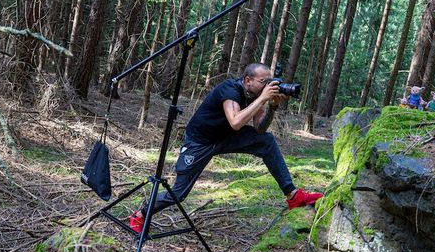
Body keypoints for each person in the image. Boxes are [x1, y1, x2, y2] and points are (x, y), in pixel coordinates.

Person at [129, 63, 324, 233]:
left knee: (267, 140)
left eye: (269, 81)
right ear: (248, 80)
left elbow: (260, 128)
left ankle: (293, 196)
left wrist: (272, 106)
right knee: (179, 194)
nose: (267, 85)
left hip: (226, 138)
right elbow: (236, 122)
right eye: (263, 81)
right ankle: (139, 215)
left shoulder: (257, 94)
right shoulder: (230, 90)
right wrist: (262, 99)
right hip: (200, 143)